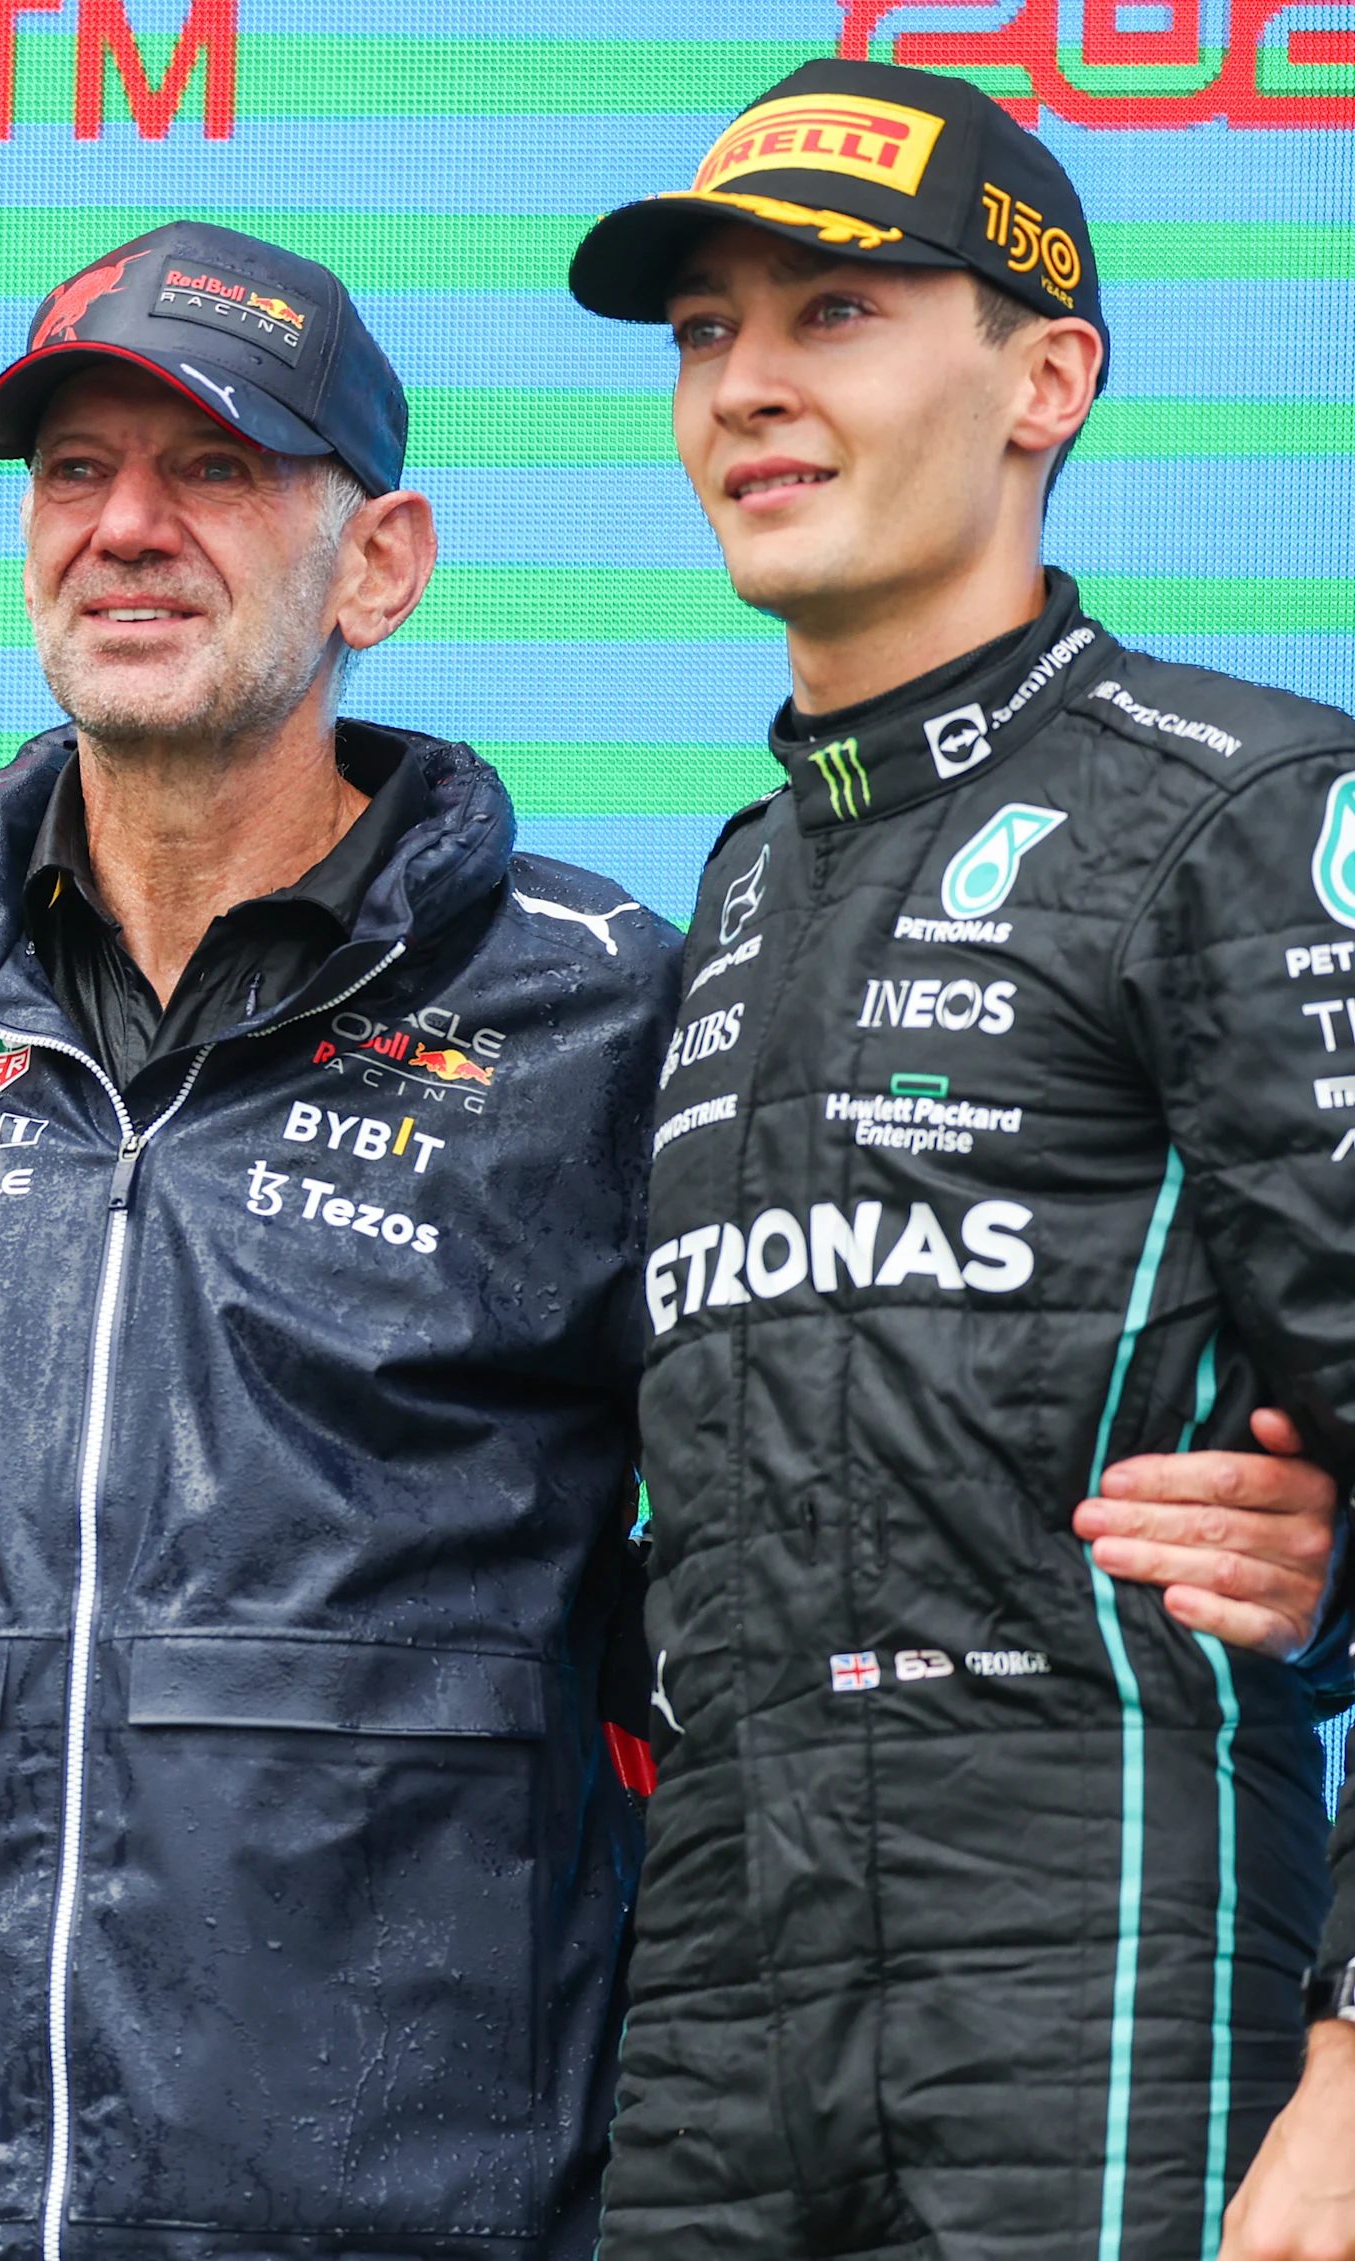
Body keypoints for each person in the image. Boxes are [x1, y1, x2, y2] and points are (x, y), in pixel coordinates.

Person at [0, 219, 675, 2257]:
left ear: (381, 563)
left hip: (427, 2202)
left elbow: (731, 1595)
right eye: (73, 471)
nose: (125, 528)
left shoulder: (596, 1010)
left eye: (216, 469)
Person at [567, 58, 1355, 2258]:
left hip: (1104, 1964)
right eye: (704, 332)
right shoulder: (728, 888)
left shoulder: (1236, 810)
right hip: (721, 2004)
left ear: (1046, 380)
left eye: (832, 316)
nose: (743, 385)